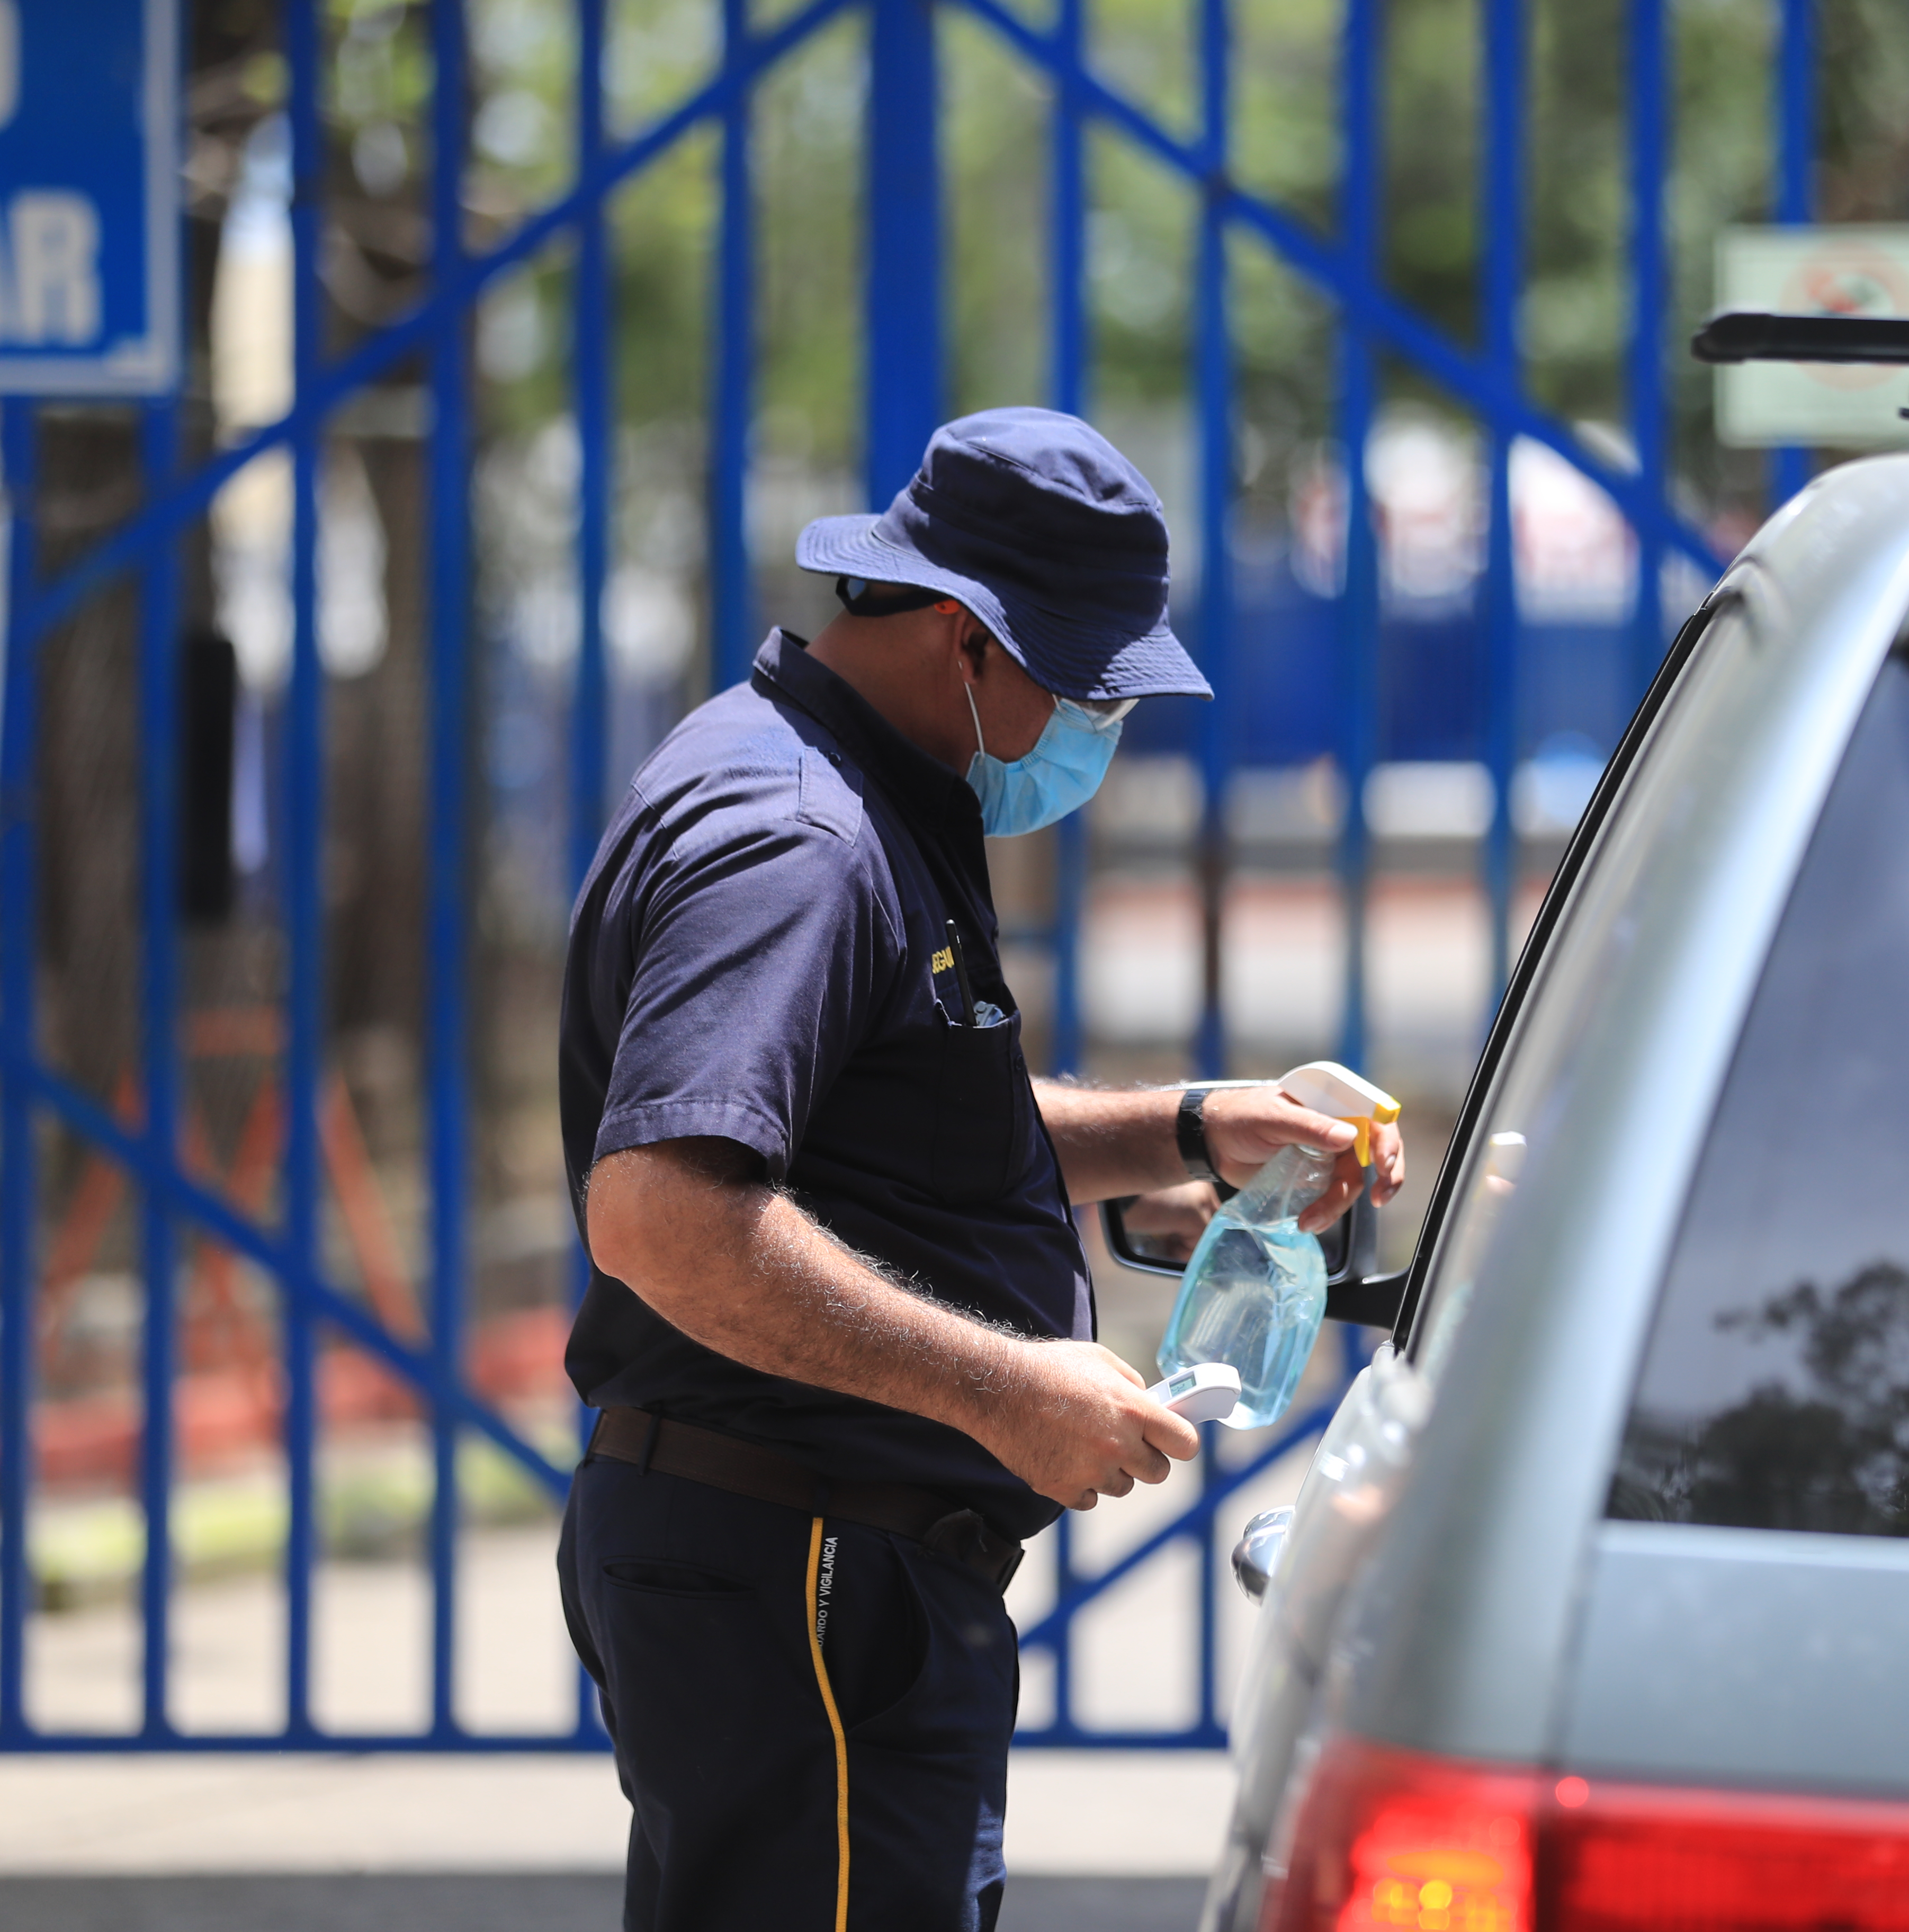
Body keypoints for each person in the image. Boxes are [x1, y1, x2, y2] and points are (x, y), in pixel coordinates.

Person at [554, 407, 1406, 1932]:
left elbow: (893, 1124)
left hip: (831, 1568)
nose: (1099, 726)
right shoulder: (802, 839)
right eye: (1085, 687)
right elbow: (664, 1212)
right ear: (965, 636)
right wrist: (1004, 1390)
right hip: (802, 1564)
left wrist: (1193, 1127)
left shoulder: (860, 790)